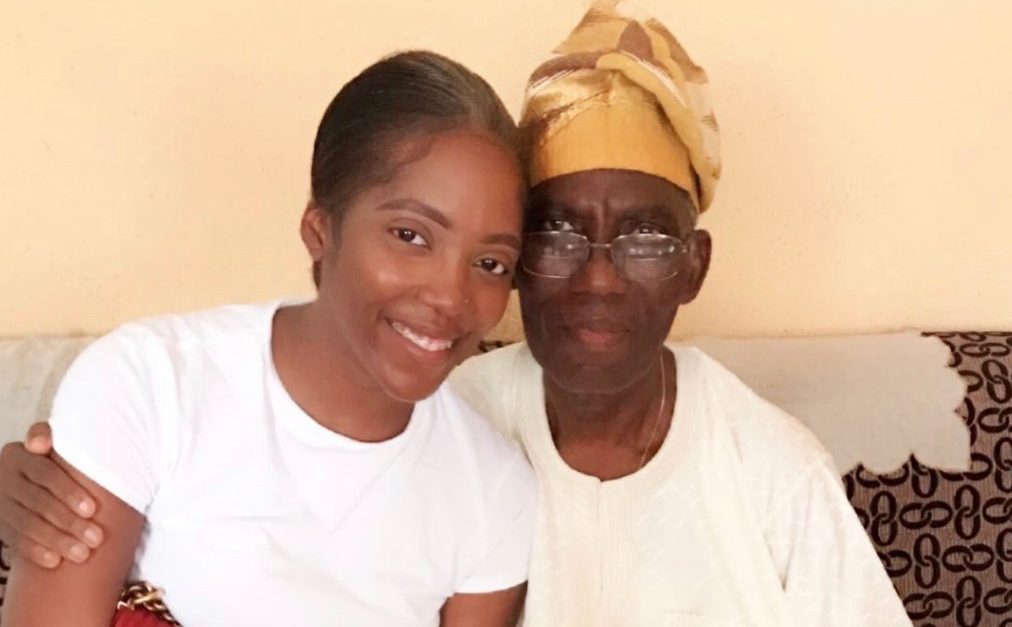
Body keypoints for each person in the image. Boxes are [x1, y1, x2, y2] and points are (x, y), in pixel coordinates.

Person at [0, 2, 913, 626]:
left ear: (694, 267)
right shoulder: (453, 407)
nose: (598, 279)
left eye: (643, 238)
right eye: (557, 236)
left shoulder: (764, 472)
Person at [0, 50, 537, 627]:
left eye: (490, 263)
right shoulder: (149, 382)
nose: (450, 297)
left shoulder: (493, 489)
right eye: (410, 235)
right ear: (320, 230)